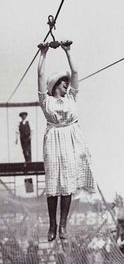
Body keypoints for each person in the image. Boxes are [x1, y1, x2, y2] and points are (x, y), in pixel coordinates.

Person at [37, 41, 96, 241]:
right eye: (63, 83)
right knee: (53, 183)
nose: (66, 85)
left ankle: (63, 225)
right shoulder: (46, 101)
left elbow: (76, 73)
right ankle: (52, 224)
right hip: (53, 139)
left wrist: (68, 51)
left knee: (69, 183)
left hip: (71, 140)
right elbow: (40, 76)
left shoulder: (71, 98)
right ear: (55, 86)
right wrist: (43, 54)